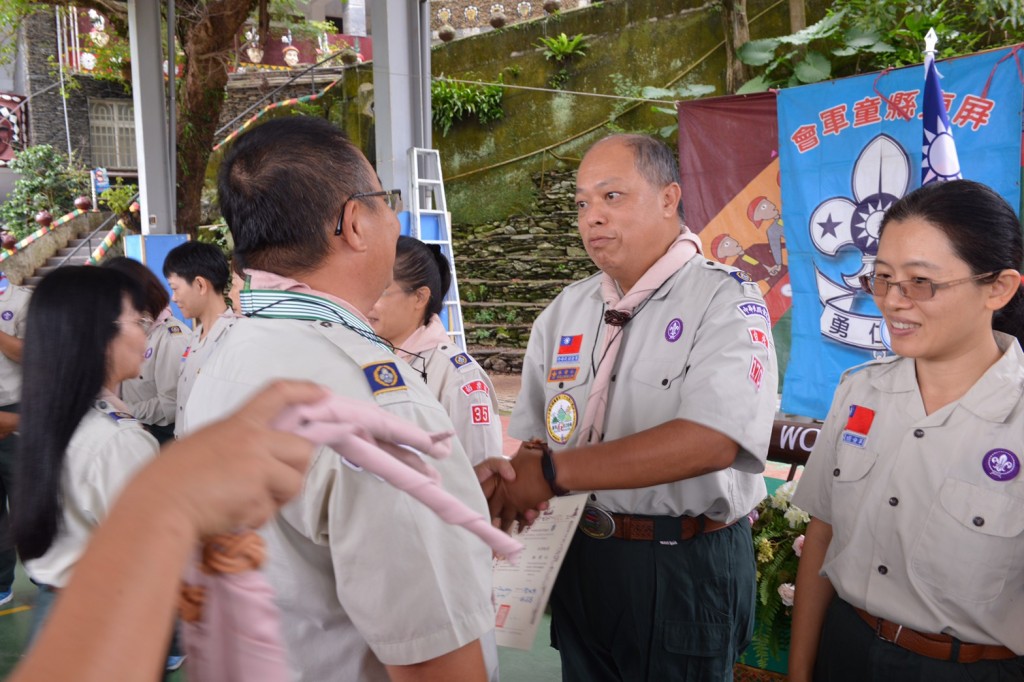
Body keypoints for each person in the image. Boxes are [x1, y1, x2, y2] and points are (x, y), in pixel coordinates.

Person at [184, 116, 495, 682]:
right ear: (354, 222)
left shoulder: (225, 355)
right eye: (385, 199)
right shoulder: (375, 403)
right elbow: (433, 661)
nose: (394, 217)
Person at [494, 133, 778, 681]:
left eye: (611, 197)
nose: (591, 217)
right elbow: (536, 439)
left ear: (669, 198)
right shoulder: (565, 311)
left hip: (683, 566)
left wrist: (553, 472)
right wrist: (516, 477)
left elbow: (714, 438)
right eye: (581, 203)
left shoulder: (725, 299)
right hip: (583, 554)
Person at [789, 179, 1024, 682]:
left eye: (921, 282)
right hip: (845, 646)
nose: (893, 301)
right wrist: (801, 670)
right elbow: (824, 533)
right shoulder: (859, 393)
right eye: (882, 278)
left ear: (998, 288)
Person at [7, 380, 324, 682]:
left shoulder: (64, 420)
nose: (139, 328)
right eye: (130, 320)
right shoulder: (117, 440)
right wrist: (171, 505)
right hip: (103, 610)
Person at [10, 266, 158, 639]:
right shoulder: (116, 442)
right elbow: (154, 555)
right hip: (102, 622)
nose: (145, 334)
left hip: (58, 613)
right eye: (138, 320)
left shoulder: (52, 418)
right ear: (98, 336)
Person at [368, 236, 503, 465]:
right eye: (365, 288)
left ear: (420, 297)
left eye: (380, 291)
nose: (366, 301)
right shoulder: (368, 359)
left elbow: (481, 473)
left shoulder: (458, 376)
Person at [103, 257, 189, 443]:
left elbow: (170, 404)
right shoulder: (124, 330)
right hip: (131, 427)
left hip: (161, 436)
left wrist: (120, 410)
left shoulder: (169, 338)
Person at [162, 241, 239, 438]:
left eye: (175, 288)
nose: (173, 297)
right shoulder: (195, 335)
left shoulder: (235, 338)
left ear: (200, 284)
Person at [0, 271, 29, 607]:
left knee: (27, 501)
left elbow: (29, 353)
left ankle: (44, 576)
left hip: (17, 409)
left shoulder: (22, 300)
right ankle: (1, 581)